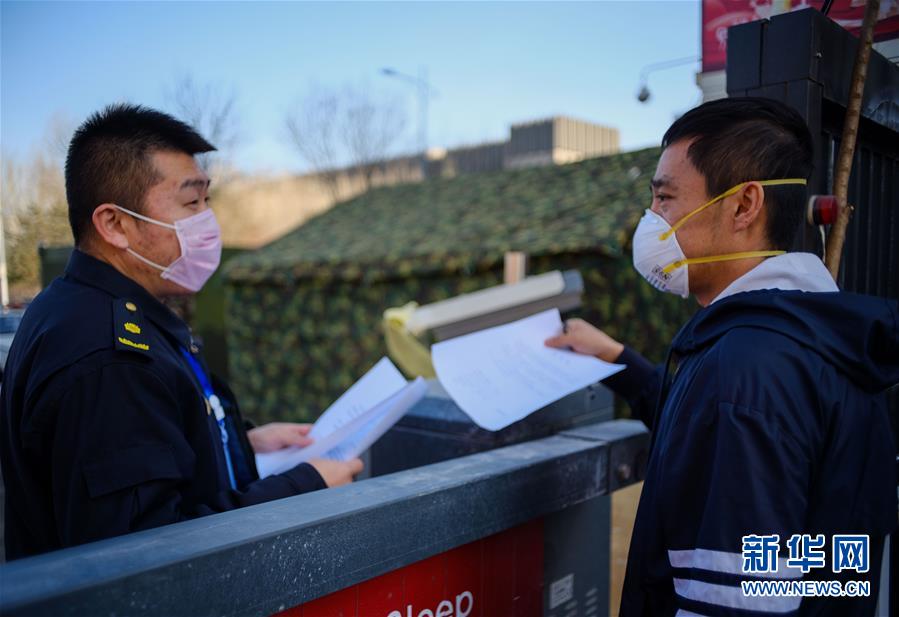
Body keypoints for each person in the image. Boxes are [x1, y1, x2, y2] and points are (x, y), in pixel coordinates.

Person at [546, 97, 898, 616]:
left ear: (743, 205)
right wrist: (616, 358)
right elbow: (705, 438)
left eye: (666, 198)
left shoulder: (745, 371)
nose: (652, 220)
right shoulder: (801, 337)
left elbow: (741, 598)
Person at [0, 104, 363, 561]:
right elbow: (142, 559)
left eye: (206, 202)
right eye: (191, 203)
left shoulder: (95, 308)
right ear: (114, 224)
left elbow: (151, 455)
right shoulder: (110, 359)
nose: (207, 223)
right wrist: (305, 485)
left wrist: (237, 443)